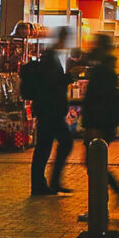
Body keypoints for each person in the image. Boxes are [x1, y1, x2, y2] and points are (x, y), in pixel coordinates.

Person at [81, 34, 119, 205]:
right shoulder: (105, 68)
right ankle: (103, 203)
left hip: (99, 125)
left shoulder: (103, 71)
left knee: (94, 163)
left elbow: (99, 100)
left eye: (96, 45)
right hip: (100, 124)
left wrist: (94, 125)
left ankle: (103, 203)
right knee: (94, 163)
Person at [28, 28, 75, 196]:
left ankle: (45, 183)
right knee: (49, 146)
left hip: (49, 110)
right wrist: (69, 76)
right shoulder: (49, 58)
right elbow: (52, 84)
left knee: (46, 146)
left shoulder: (51, 57)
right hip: (49, 111)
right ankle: (43, 184)